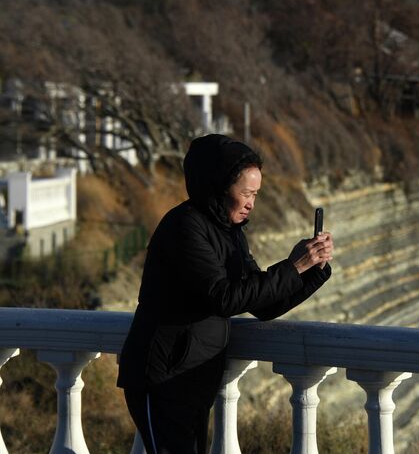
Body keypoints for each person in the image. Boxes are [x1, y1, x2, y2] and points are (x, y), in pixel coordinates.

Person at [117, 133, 333, 453]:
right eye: (246, 193)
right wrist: (293, 267)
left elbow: (261, 304)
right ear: (219, 186)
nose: (251, 203)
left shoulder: (229, 233)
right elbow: (223, 298)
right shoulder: (185, 227)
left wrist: (311, 269)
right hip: (161, 379)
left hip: (192, 379)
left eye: (256, 194)